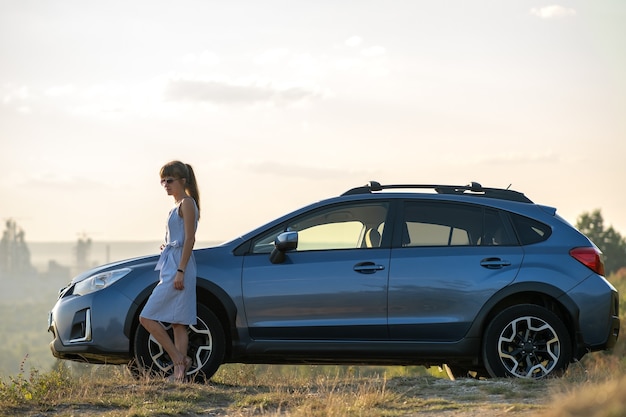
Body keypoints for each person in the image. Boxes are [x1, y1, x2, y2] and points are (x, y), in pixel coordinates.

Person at [139, 160, 200, 382]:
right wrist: (168, 246)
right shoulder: (176, 206)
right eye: (162, 181)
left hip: (179, 266)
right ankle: (180, 373)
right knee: (177, 322)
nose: (165, 184)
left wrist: (181, 270)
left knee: (146, 317)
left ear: (182, 180)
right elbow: (180, 238)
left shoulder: (187, 203)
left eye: (170, 180)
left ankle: (178, 360)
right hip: (172, 263)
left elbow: (190, 239)